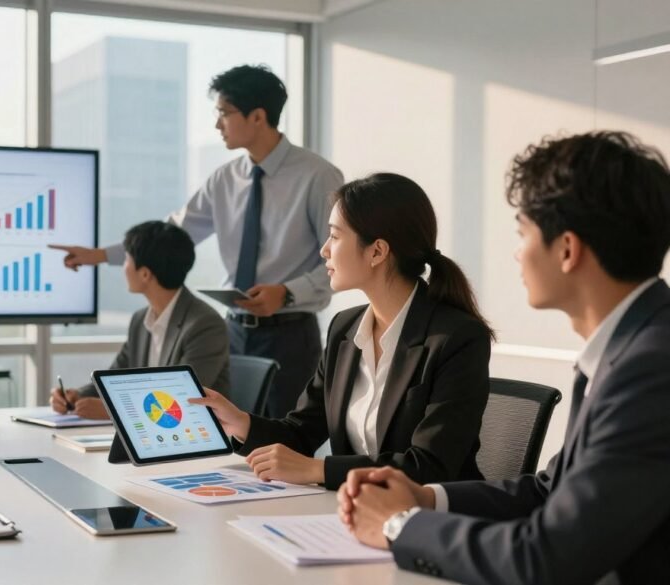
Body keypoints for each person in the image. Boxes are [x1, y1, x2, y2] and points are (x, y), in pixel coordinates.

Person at [338, 132, 670, 585]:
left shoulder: (651, 368)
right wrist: (425, 498)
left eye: (523, 233)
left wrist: (398, 526)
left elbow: (548, 557)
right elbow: (548, 490)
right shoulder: (629, 348)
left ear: (568, 250)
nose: (517, 252)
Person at [51, 64, 344, 418]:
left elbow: (339, 258)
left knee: (284, 441)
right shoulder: (225, 179)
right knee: (229, 436)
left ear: (257, 116)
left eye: (224, 113)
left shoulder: (317, 176)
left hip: (291, 333)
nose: (217, 124)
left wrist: (287, 291)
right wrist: (98, 255)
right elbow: (172, 232)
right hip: (234, 330)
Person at [190, 173, 493, 488]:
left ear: (377, 252)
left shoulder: (456, 338)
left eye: (335, 236)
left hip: (433, 521)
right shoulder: (344, 329)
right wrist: (241, 423)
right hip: (355, 516)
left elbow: (429, 466)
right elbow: (302, 432)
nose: (324, 250)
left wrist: (318, 471)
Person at [50, 221, 229, 420]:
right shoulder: (140, 320)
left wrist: (113, 411)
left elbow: (183, 398)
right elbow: (113, 379)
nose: (124, 268)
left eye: (127, 260)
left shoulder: (204, 325)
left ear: (145, 274)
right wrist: (76, 396)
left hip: (196, 438)